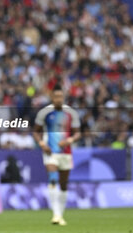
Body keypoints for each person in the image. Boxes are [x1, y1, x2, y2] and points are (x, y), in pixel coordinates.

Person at [33, 85, 81, 226]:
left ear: (63, 97)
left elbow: (78, 132)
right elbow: (36, 131)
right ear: (52, 97)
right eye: (56, 97)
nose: (58, 99)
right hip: (50, 152)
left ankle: (60, 214)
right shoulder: (44, 113)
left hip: (66, 153)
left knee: (64, 184)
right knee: (53, 180)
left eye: (61, 96)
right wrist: (42, 144)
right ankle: (56, 214)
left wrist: (70, 140)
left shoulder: (71, 113)